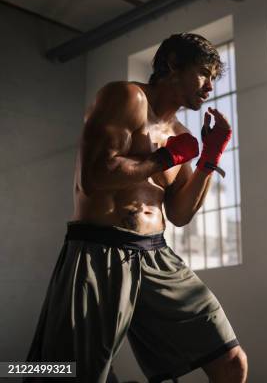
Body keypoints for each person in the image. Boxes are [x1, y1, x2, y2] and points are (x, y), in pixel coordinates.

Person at [24, 33, 247, 383]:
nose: (209, 88)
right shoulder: (124, 97)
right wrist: (165, 157)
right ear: (173, 64)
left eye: (214, 79)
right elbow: (95, 179)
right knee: (65, 374)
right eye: (203, 73)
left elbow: (180, 214)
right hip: (98, 251)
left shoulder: (180, 132)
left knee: (232, 362)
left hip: (157, 256)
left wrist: (208, 158)